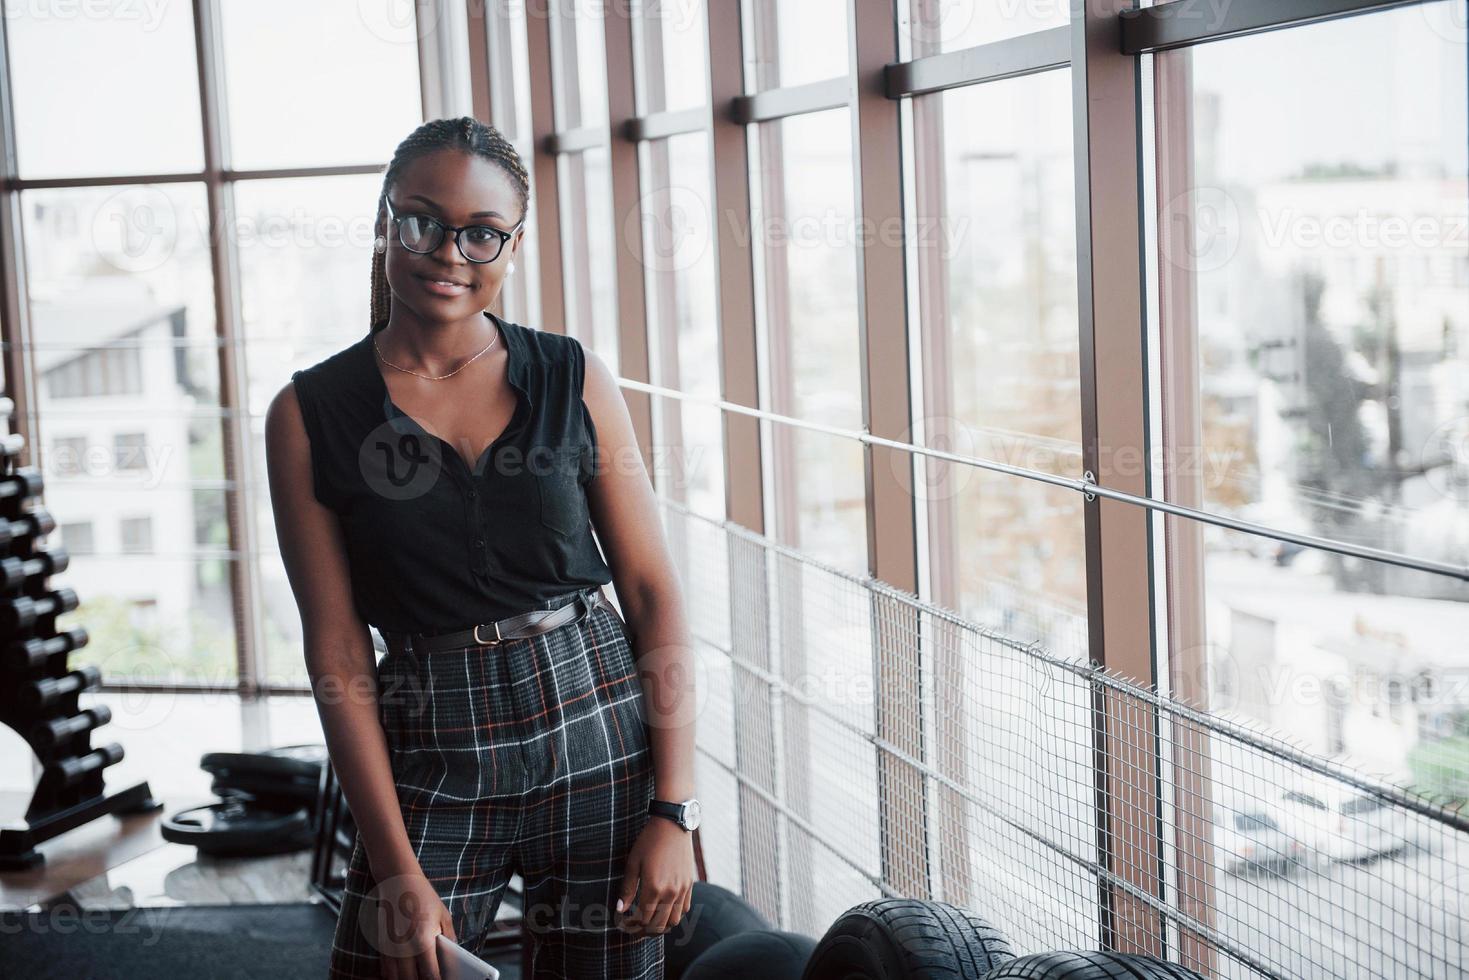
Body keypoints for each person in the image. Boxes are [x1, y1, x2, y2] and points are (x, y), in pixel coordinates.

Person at [264, 116, 699, 980]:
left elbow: (649, 590)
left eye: (480, 234)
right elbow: (337, 647)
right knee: (390, 962)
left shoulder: (572, 376)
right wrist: (392, 868)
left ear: (512, 244)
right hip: (433, 732)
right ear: (386, 220)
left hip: (599, 720)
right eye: (421, 220)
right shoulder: (307, 414)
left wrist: (674, 810)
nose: (447, 253)